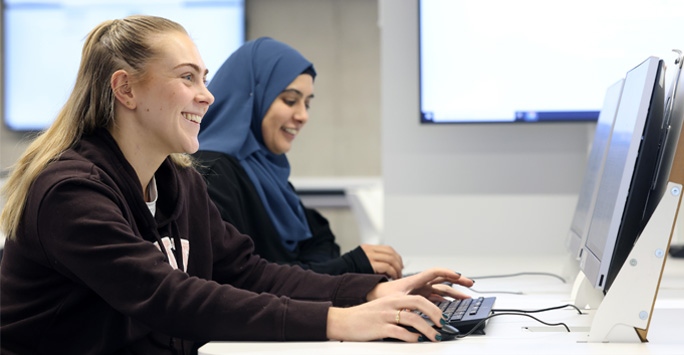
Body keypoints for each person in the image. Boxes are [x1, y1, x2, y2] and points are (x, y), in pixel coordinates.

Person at [0, 15, 473, 354]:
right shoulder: (70, 193)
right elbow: (168, 297)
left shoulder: (181, 183)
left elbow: (248, 273)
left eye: (204, 78)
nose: (207, 94)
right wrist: (338, 321)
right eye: (188, 78)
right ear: (125, 90)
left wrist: (370, 293)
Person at [194, 37, 403, 278]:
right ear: (250, 97)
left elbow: (319, 240)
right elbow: (245, 280)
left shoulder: (265, 171)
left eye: (307, 104)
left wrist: (320, 270)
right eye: (290, 100)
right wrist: (348, 266)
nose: (303, 116)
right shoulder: (212, 173)